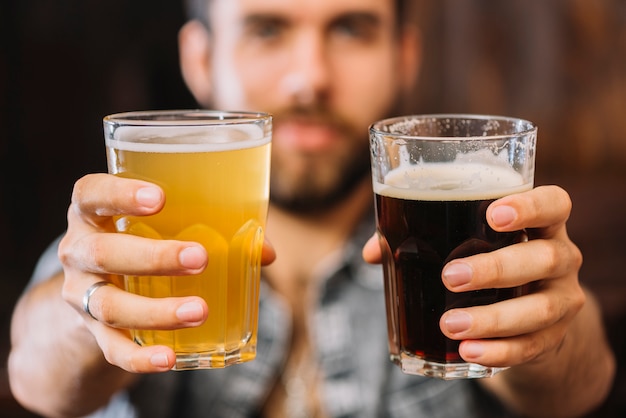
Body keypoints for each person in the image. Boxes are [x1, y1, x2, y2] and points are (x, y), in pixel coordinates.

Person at [8, 0, 616, 417]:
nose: (310, 78)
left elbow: (582, 388)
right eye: (268, 29)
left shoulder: (464, 228)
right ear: (199, 60)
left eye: (351, 28)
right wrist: (88, 314)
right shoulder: (128, 234)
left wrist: (547, 333)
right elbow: (36, 376)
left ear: (405, 56)